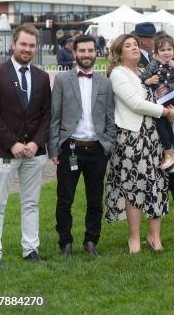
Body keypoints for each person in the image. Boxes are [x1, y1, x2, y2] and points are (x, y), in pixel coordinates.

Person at [0, 24, 52, 266]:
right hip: (3, 151)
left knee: (31, 203)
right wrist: (12, 144)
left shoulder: (43, 77)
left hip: (35, 153)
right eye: (23, 44)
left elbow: (47, 115)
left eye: (32, 45)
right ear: (13, 44)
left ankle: (30, 250)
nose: (27, 49)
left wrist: (36, 143)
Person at [105, 34, 174, 253]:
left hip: (154, 137)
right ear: (119, 53)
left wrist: (173, 105)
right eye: (128, 46)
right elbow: (136, 104)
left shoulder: (143, 72)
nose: (134, 48)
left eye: (135, 44)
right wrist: (165, 112)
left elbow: (159, 95)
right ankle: (134, 238)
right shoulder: (118, 74)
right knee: (134, 187)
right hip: (131, 138)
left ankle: (155, 237)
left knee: (156, 185)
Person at [49, 35, 116, 259]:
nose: (86, 54)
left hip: (97, 149)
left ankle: (91, 241)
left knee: (95, 199)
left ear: (96, 52)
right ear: (74, 52)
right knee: (65, 199)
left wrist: (109, 145)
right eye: (82, 51)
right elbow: (55, 116)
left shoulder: (105, 82)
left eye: (90, 50)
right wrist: (54, 148)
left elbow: (109, 118)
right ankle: (65, 243)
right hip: (70, 149)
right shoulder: (62, 80)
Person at [140, 34, 174, 171]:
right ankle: (173, 154)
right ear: (156, 52)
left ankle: (170, 152)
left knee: (164, 124)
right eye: (162, 50)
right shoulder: (153, 65)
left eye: (169, 49)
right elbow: (143, 78)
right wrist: (148, 81)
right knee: (164, 123)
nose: (166, 53)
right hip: (160, 100)